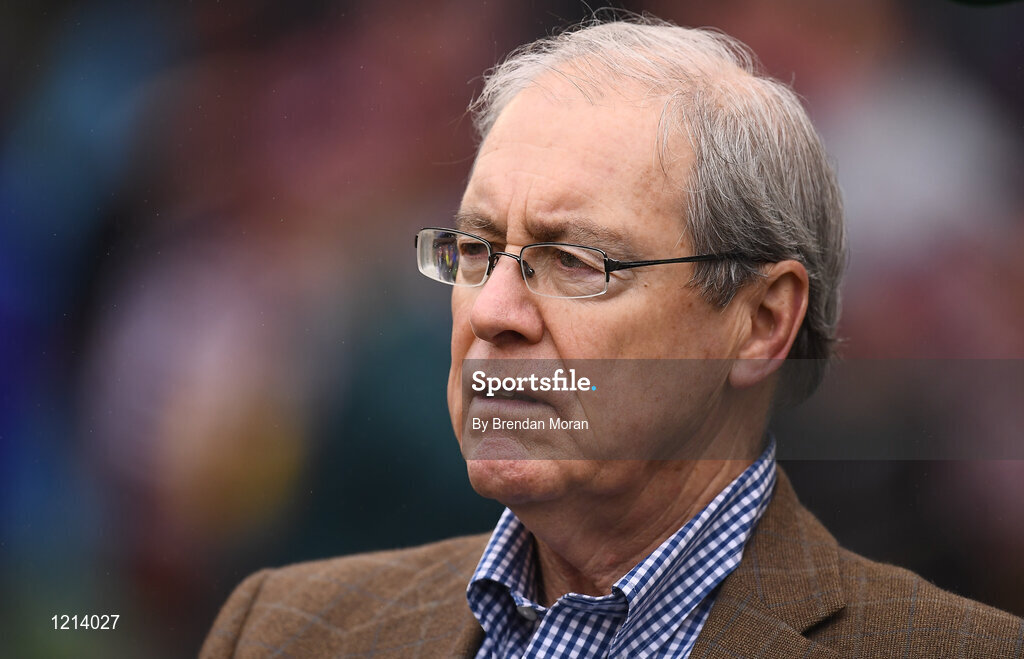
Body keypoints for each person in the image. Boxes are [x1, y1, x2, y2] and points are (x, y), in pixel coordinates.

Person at [201, 17, 1023, 657]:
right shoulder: (279, 630)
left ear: (762, 321)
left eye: (574, 261)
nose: (491, 312)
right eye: (477, 251)